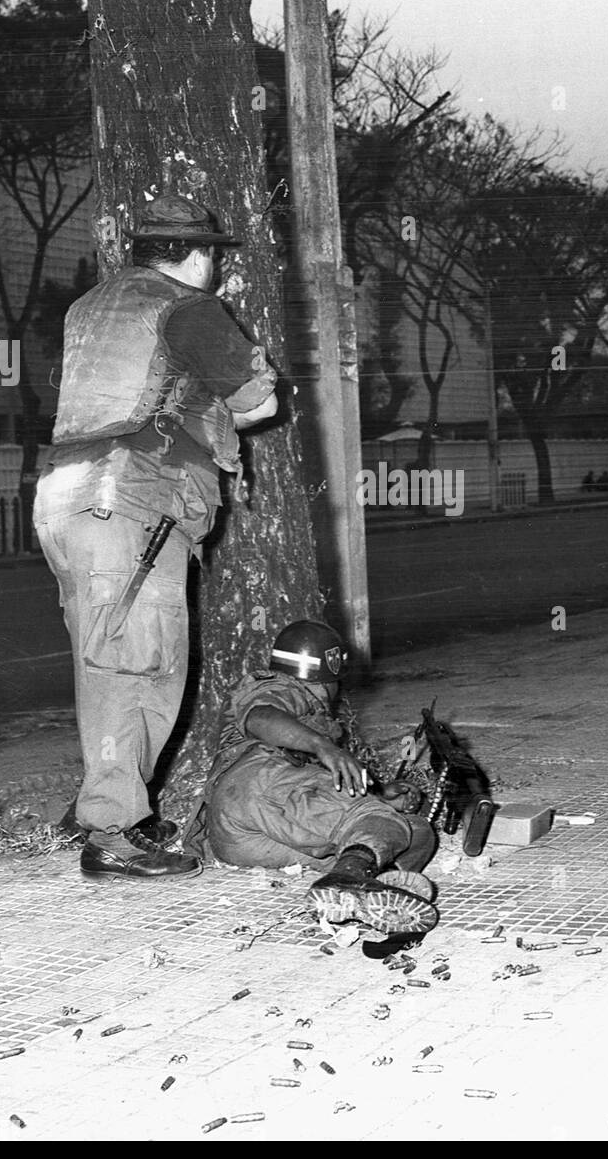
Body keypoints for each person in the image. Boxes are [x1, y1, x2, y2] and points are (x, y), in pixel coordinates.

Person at [34, 193, 278, 881]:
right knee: (140, 666)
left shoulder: (89, 307)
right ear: (198, 256)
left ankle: (114, 808)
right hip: (131, 499)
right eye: (214, 256)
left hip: (67, 496)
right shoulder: (189, 308)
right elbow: (260, 405)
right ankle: (111, 832)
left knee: (108, 655)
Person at [185, 619, 440, 936]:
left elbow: (316, 794)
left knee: (415, 832)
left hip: (248, 838)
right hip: (259, 786)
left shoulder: (311, 716)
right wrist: (323, 747)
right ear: (328, 677)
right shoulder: (280, 687)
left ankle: (369, 884)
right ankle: (350, 879)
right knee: (371, 816)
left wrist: (378, 790)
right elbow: (260, 717)